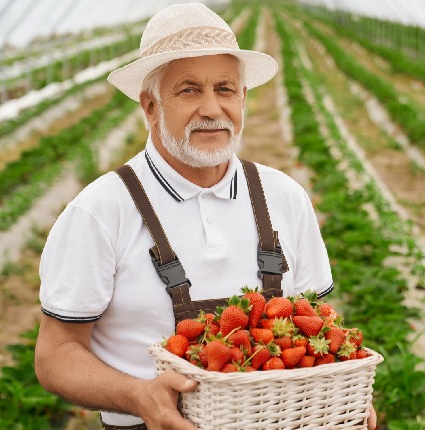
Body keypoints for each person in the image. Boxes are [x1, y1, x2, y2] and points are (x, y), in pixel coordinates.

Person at [34, 3, 377, 429]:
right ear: (151, 106)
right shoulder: (100, 212)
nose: (212, 108)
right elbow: (55, 356)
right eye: (189, 90)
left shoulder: (284, 197)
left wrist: (339, 385)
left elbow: (316, 324)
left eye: (225, 89)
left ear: (243, 97)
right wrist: (139, 396)